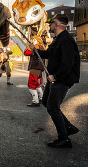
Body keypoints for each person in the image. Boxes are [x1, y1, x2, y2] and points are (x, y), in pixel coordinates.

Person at [29, 14, 80, 148]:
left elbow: (67, 64)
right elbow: (48, 54)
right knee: (46, 102)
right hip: (56, 78)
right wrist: (35, 49)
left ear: (56, 24)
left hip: (62, 79)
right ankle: (68, 127)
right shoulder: (58, 40)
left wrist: (56, 76)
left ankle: (64, 139)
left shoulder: (66, 40)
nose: (50, 25)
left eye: (51, 23)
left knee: (53, 107)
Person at [24, 36, 45, 107]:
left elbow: (26, 52)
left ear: (38, 40)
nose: (32, 40)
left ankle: (35, 101)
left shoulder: (36, 46)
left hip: (35, 68)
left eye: (34, 39)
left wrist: (29, 47)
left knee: (31, 84)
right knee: (37, 84)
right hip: (40, 68)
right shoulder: (42, 47)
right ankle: (42, 98)